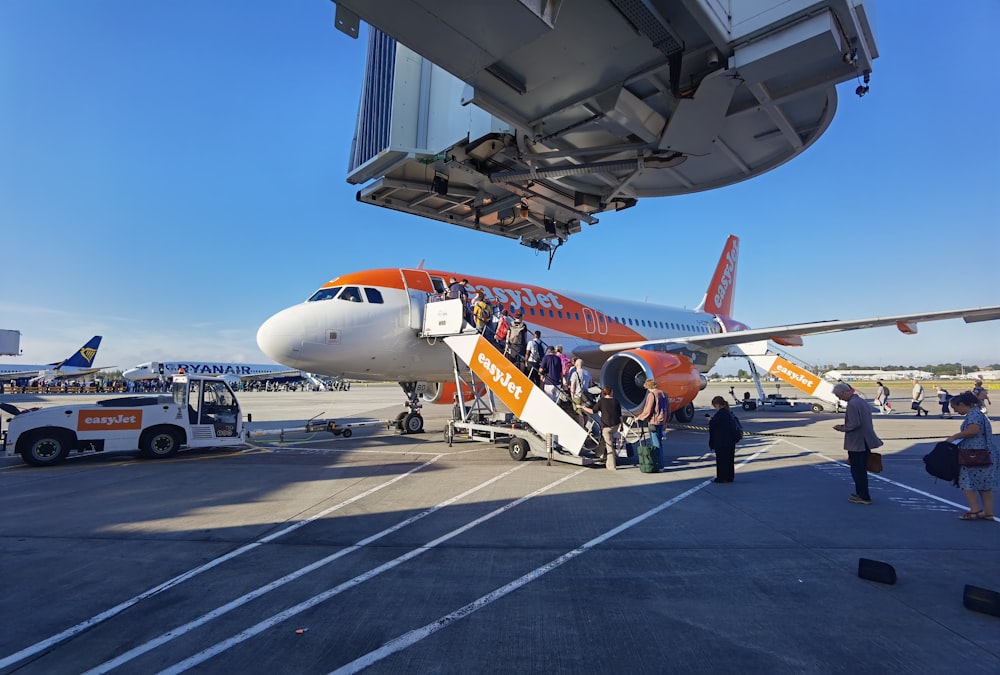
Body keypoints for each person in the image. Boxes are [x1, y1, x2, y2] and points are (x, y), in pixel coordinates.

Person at [946, 391, 997, 521]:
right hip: (986, 453)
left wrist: (955, 437)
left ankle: (974, 510)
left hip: (974, 454)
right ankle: (988, 512)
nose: (955, 411)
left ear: (962, 404)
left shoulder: (973, 414)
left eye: (955, 408)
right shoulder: (979, 413)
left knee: (966, 482)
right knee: (984, 485)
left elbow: (973, 430)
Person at [832, 382, 883, 505]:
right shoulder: (861, 401)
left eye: (839, 396)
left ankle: (864, 496)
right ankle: (861, 493)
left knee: (858, 470)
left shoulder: (853, 404)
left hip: (858, 442)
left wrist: (841, 428)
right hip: (865, 440)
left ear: (844, 392)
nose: (839, 398)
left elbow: (854, 424)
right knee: (861, 469)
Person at [585, 387, 623, 470]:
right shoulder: (616, 401)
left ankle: (611, 465)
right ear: (611, 392)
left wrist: (583, 407)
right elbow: (620, 415)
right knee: (604, 439)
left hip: (606, 426)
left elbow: (593, 411)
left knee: (609, 445)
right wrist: (622, 425)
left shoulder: (601, 401)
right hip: (615, 425)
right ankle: (599, 453)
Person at [635, 379, 668, 469]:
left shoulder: (652, 395)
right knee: (659, 443)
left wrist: (640, 417)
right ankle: (660, 463)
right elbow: (668, 409)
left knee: (655, 444)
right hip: (662, 421)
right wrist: (666, 421)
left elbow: (648, 410)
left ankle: (658, 464)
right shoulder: (664, 394)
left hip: (654, 421)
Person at [708, 396, 740, 483]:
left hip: (721, 441)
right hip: (730, 441)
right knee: (729, 460)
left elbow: (714, 425)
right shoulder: (729, 413)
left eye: (715, 406)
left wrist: (710, 420)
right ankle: (730, 477)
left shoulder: (720, 414)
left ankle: (721, 478)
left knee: (721, 461)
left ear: (717, 404)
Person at [568, 358, 593, 426]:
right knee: (585, 412)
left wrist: (572, 396)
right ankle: (586, 426)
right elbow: (590, 384)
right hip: (585, 395)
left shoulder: (575, 373)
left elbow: (572, 386)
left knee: (578, 413)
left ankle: (582, 427)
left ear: (577, 364)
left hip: (577, 395)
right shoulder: (587, 373)